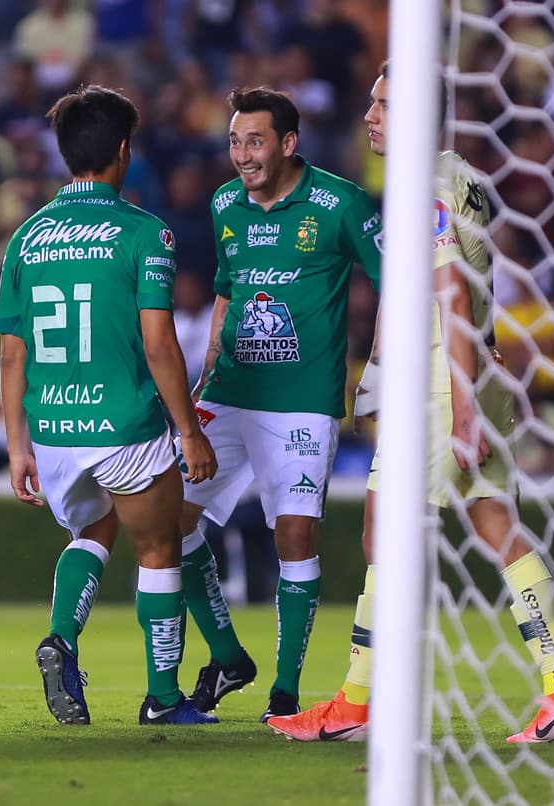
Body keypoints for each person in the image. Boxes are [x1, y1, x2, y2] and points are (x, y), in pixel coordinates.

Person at [267, 61, 554, 744]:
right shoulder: (463, 176)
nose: (370, 116)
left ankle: (358, 705)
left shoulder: (426, 184)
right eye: (371, 101)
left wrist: (463, 404)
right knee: (498, 529)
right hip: (478, 372)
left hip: (447, 383)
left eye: (384, 104)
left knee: (385, 534)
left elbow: (448, 292)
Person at [0, 84, 219, 726]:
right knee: (158, 551)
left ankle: (62, 640)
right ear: (123, 152)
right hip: (124, 423)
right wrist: (187, 432)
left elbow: (13, 354)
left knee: (92, 530)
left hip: (56, 429)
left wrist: (18, 446)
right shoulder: (146, 233)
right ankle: (164, 698)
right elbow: (158, 343)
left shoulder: (26, 238)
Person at [178, 86, 384, 722]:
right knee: (167, 522)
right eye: (235, 141)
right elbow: (225, 289)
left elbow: (398, 284)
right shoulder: (224, 204)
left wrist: (377, 368)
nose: (242, 154)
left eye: (255, 140)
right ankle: (228, 654)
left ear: (289, 144)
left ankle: (285, 690)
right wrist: (202, 378)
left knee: (294, 536)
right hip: (231, 392)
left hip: (300, 400)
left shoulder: (341, 203)